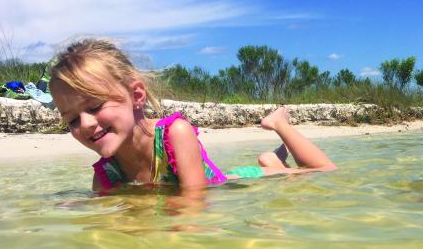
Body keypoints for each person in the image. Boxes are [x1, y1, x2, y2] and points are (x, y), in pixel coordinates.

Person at [49, 39, 336, 192]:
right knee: (281, 171)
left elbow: (194, 206)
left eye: (95, 106)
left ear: (136, 96)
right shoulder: (106, 173)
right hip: (231, 179)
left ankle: (279, 124)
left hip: (237, 182)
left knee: (323, 173)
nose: (85, 124)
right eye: (72, 119)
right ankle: (272, 160)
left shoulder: (175, 133)